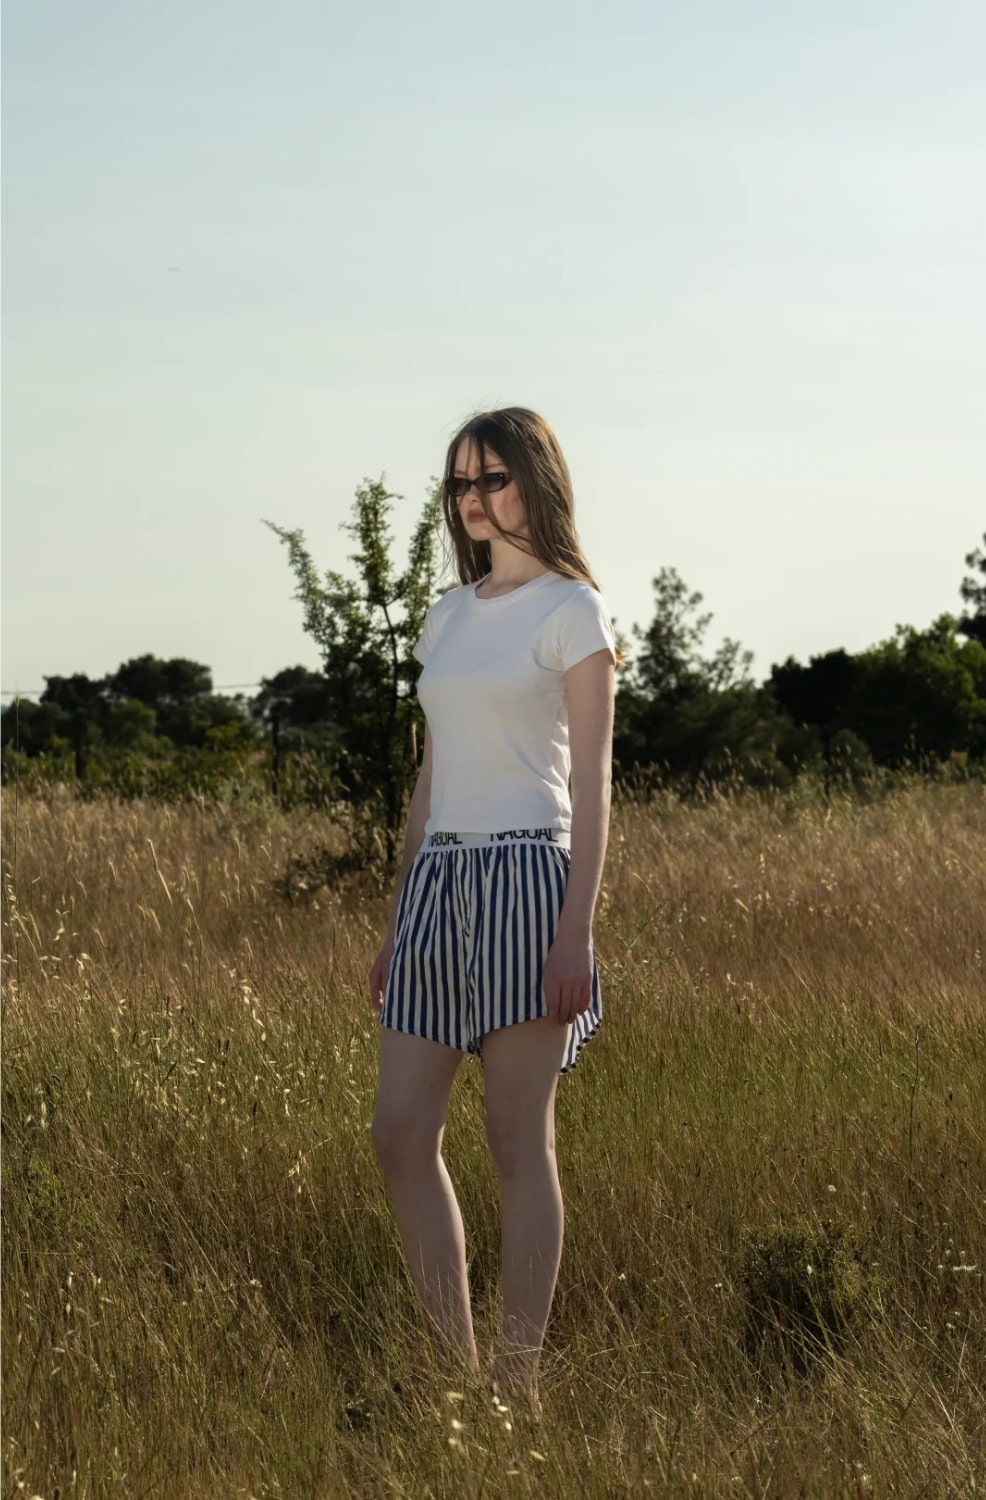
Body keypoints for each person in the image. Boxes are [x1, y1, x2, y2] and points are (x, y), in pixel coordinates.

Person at [367, 406, 618, 1413]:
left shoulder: (573, 610)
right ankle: (452, 1376)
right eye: (461, 483)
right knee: (398, 1133)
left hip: (528, 878)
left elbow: (593, 784)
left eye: (493, 479)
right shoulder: (447, 616)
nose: (474, 499)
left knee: (517, 1140)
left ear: (535, 481)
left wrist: (576, 931)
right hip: (438, 881)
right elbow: (431, 778)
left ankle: (517, 1391)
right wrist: (398, 917)